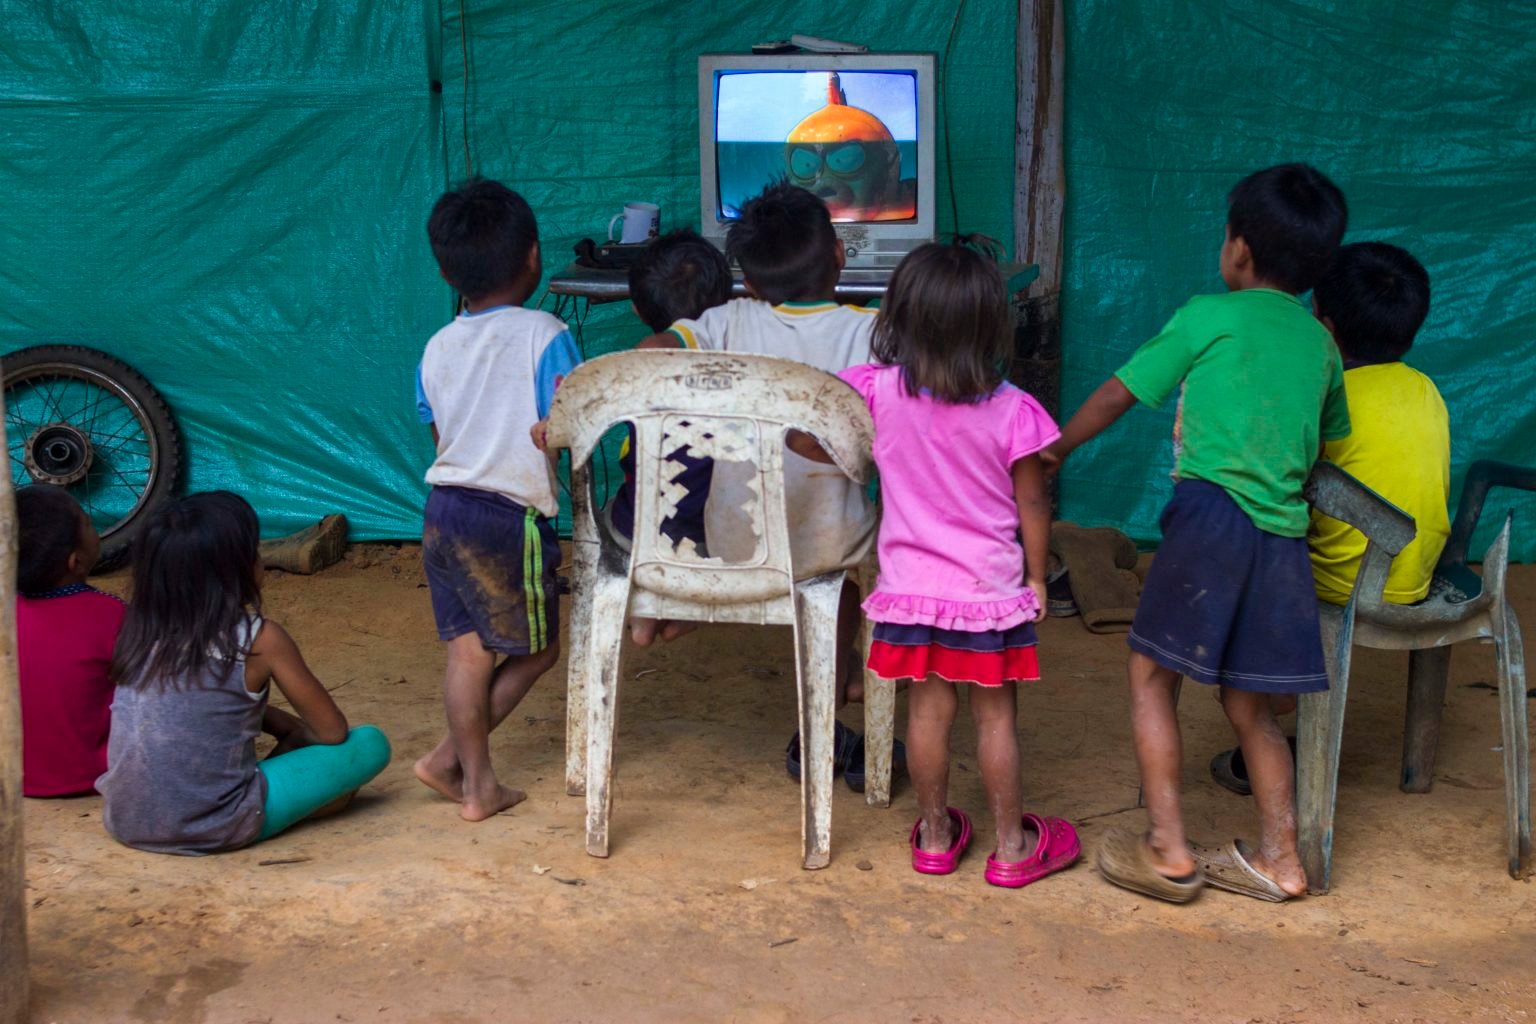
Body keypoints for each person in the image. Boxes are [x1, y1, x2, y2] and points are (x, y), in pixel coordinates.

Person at [1044, 164, 1350, 902]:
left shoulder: (1205, 315)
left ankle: (1170, 846)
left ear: (1238, 251)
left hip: (1210, 521)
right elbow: (1330, 443)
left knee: (1152, 677)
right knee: (1251, 709)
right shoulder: (1320, 344)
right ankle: (1283, 857)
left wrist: (1055, 448)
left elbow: (1120, 393)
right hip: (1282, 539)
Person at [795, 241, 1079, 885]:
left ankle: (934, 835)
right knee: (996, 717)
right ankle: (1011, 846)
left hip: (911, 591)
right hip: (986, 593)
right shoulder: (1013, 410)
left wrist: (862, 454)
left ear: (896, 318)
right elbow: (1032, 499)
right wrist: (1036, 576)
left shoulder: (874, 392)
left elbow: (807, 435)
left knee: (926, 716)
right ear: (992, 327)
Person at [636, 182, 886, 787]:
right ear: (840, 255)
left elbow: (648, 356)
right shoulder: (875, 333)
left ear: (747, 280)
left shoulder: (724, 321)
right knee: (844, 584)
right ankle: (825, 707)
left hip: (729, 534)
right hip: (828, 540)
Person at [1210, 241, 1446, 794]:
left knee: (1225, 577)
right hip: (1412, 579)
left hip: (1342, 587)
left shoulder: (1321, 396)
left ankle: (1268, 724)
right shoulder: (1425, 389)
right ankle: (1287, 699)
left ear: (1327, 327)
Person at [412, 178, 581, 821]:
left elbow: (438, 430)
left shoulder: (437, 346)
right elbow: (564, 425)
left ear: (447, 270)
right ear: (533, 257)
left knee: (468, 651)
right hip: (507, 517)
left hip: (443, 510)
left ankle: (464, 775)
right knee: (538, 650)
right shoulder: (545, 333)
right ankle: (460, 768)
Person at [96, 492, 390, 854]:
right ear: (238, 570)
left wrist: (283, 726)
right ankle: (261, 806)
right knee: (369, 745)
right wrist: (293, 731)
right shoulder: (259, 638)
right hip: (219, 825)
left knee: (296, 742)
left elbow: (189, 707)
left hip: (124, 820)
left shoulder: (139, 631)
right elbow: (332, 732)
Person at [601, 229, 733, 557]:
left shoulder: (648, 355)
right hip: (730, 536)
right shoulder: (748, 344)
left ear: (638, 310)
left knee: (608, 513)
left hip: (644, 535)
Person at [15, 485, 122, 797]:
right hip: (95, 771)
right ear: (75, 561)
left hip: (18, 774)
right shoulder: (112, 614)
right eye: (87, 523)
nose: (93, 524)